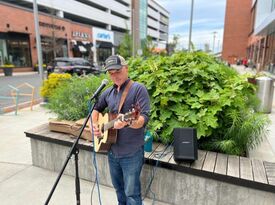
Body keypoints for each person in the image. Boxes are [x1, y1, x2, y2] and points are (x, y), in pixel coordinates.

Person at [91, 54, 150, 205]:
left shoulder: (138, 89)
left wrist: (129, 122)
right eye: (111, 73)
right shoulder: (109, 92)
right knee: (119, 191)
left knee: (132, 195)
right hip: (112, 151)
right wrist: (95, 126)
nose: (115, 76)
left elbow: (143, 118)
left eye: (117, 71)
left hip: (131, 152)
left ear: (126, 69)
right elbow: (96, 109)